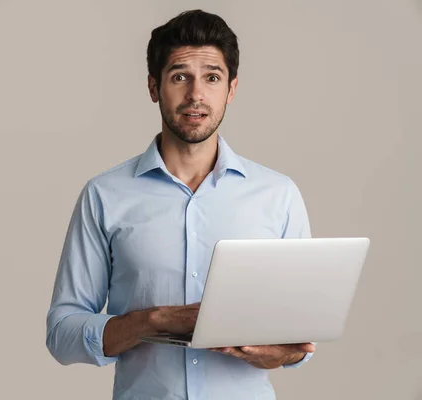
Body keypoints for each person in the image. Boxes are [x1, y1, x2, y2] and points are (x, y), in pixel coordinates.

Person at [46, 9, 316, 400]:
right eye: (179, 77)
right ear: (154, 87)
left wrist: (279, 355)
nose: (196, 94)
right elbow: (62, 332)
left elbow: (301, 336)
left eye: (212, 77)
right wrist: (150, 321)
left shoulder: (278, 195)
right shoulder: (104, 195)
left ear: (232, 88)